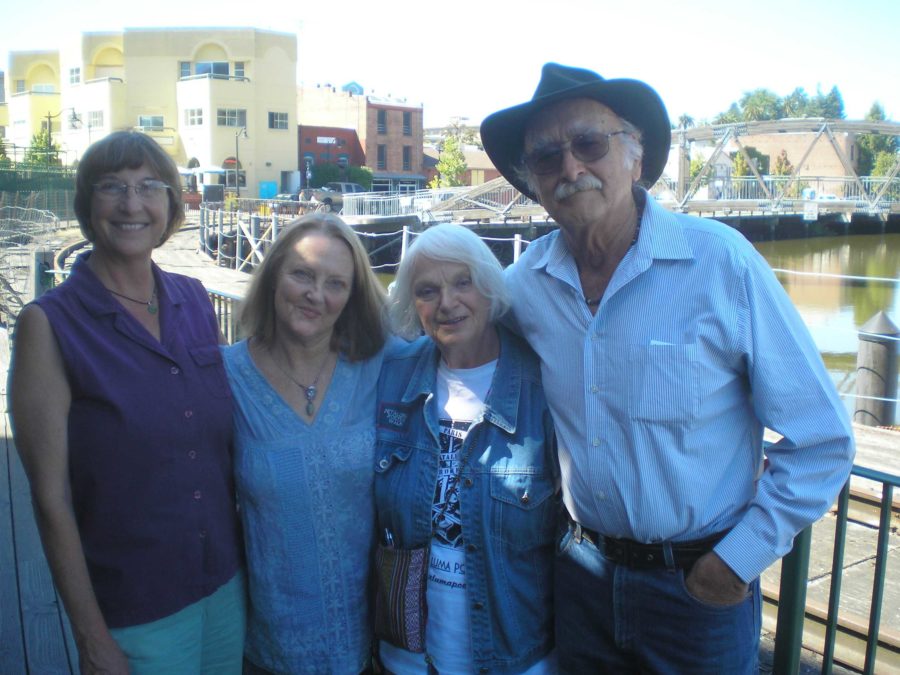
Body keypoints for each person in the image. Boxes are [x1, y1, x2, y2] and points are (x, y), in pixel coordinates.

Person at [480, 63, 856, 673]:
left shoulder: (721, 265)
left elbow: (823, 440)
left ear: (636, 154)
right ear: (533, 182)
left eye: (590, 143)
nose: (571, 168)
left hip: (695, 595)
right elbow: (451, 345)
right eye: (547, 157)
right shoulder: (524, 288)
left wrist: (736, 561)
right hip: (580, 582)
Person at [9, 130, 245, 674]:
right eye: (112, 187)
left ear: (171, 203)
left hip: (225, 589)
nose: (132, 204)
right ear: (88, 205)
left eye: (149, 187)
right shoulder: (50, 325)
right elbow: (51, 501)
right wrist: (92, 640)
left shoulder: (194, 300)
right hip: (136, 609)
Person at [374, 224, 558, 674]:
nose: (448, 303)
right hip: (407, 658)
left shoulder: (543, 386)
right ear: (412, 304)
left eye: (463, 282)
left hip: (514, 657)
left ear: (490, 288)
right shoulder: (391, 377)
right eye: (428, 290)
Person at [222, 212, 388, 674]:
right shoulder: (224, 377)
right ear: (274, 274)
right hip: (270, 649)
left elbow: (460, 341)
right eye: (302, 274)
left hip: (372, 646)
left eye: (336, 283)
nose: (317, 295)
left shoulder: (380, 365)